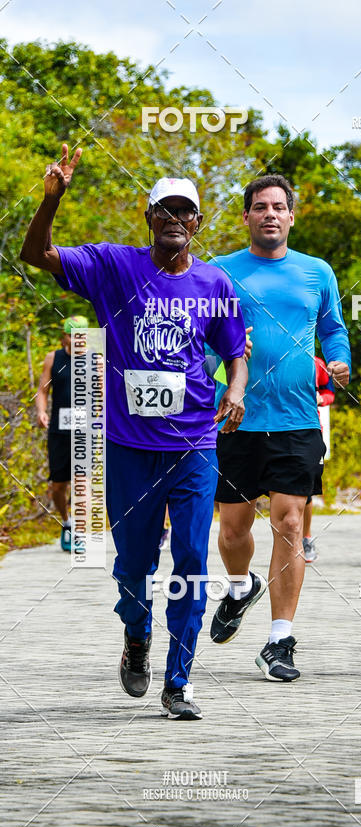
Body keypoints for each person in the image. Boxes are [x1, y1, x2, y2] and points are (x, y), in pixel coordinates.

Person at [21, 145, 247, 720]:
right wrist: (51, 202)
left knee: (193, 562)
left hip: (194, 444)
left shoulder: (215, 284)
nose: (175, 219)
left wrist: (237, 389)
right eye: (164, 211)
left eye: (185, 212)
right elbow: (35, 252)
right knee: (133, 567)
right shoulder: (113, 265)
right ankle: (136, 637)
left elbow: (235, 351)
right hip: (129, 448)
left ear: (198, 223)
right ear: (149, 219)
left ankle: (180, 682)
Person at [209, 174, 351, 681]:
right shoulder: (219, 271)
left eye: (278, 207)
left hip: (297, 418)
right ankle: (240, 585)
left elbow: (334, 328)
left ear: (291, 216)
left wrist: (338, 360)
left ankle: (280, 639)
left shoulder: (317, 272)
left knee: (290, 524)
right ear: (246, 216)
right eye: (260, 207)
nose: (270, 214)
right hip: (237, 418)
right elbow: (199, 336)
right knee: (232, 529)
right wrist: (217, 368)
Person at [35, 314, 89, 551]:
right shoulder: (52, 358)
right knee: (59, 485)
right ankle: (66, 522)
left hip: (85, 431)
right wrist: (41, 411)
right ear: (64, 337)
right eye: (71, 334)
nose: (77, 339)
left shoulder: (95, 360)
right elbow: (42, 391)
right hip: (59, 428)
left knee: (82, 483)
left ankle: (79, 531)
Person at [302, 356, 335, 563]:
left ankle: (305, 538)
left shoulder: (317, 363)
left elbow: (329, 392)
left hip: (310, 431)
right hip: (269, 428)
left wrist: (320, 399)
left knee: (306, 491)